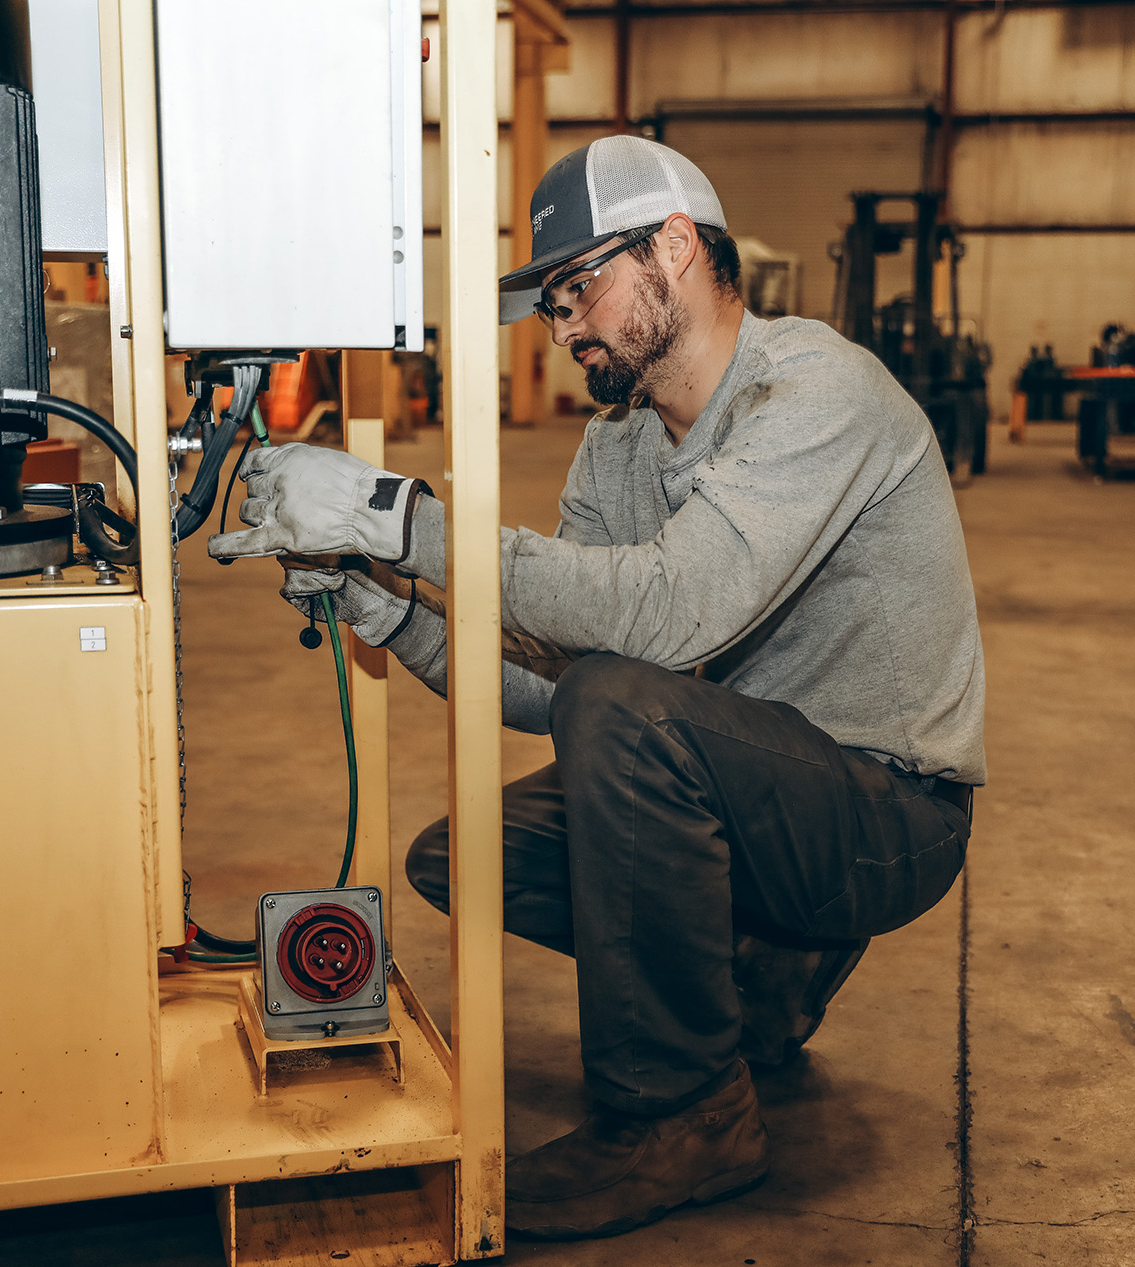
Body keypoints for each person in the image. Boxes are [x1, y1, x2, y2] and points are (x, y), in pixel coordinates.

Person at [208, 136, 985, 1241]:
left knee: (627, 705)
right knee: (468, 851)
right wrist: (391, 612)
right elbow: (548, 685)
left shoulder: (812, 391)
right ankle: (755, 982)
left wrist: (398, 518)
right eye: (552, 301)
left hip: (884, 812)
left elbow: (669, 618)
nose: (565, 325)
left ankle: (682, 1112)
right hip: (745, 783)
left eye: (581, 286)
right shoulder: (618, 446)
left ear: (675, 246)